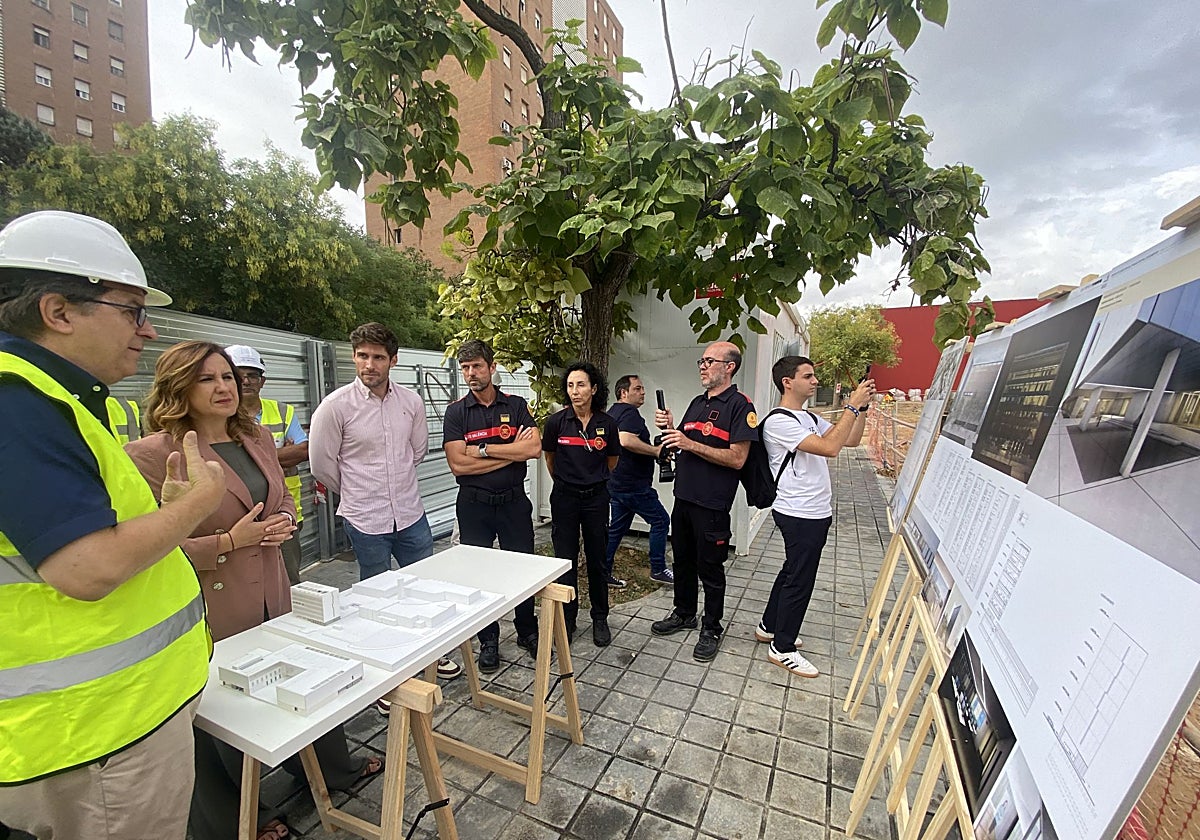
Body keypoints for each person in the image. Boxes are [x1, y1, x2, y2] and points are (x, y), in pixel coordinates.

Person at [0, 211, 222, 839]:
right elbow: (88, 567)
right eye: (131, 310)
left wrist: (170, 511)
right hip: (91, 738)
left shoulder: (52, 399)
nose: (148, 331)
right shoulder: (18, 401)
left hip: (107, 727)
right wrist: (193, 506)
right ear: (59, 311)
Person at [126, 341, 381, 840]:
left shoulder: (255, 435)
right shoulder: (150, 455)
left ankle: (329, 770)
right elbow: (148, 548)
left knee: (304, 673)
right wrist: (227, 541)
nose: (224, 387)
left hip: (274, 581)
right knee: (225, 708)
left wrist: (285, 517)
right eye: (208, 379)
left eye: (227, 377)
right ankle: (238, 819)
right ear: (178, 386)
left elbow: (281, 491)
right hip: (209, 598)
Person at [309, 322, 461, 685]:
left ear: (393, 360)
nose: (369, 365)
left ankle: (432, 655)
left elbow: (418, 451)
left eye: (378, 357)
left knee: (425, 588)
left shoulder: (411, 402)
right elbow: (321, 465)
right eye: (362, 356)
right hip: (365, 519)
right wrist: (358, 492)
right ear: (354, 357)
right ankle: (386, 677)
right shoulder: (334, 408)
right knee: (375, 599)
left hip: (410, 513)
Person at [756, 356, 873, 678]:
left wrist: (860, 410)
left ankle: (769, 625)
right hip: (798, 511)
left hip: (814, 510)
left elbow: (849, 440)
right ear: (787, 382)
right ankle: (783, 647)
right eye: (808, 376)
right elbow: (828, 448)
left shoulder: (807, 417)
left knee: (793, 570)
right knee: (801, 579)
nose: (815, 381)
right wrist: (850, 406)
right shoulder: (779, 421)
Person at [651, 341, 758, 662]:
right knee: (682, 561)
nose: (702, 366)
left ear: (729, 367)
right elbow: (685, 443)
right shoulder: (698, 402)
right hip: (684, 497)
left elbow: (738, 459)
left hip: (712, 503)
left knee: (710, 568)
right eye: (702, 360)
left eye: (710, 361)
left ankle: (711, 627)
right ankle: (684, 613)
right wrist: (670, 431)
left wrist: (688, 443)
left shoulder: (741, 406)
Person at [442, 339, 542, 672]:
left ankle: (527, 631)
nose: (471, 374)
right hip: (474, 506)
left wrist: (482, 451)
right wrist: (508, 449)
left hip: (514, 503)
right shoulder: (456, 412)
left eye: (477, 366)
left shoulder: (516, 405)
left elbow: (532, 450)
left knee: (523, 569)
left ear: (491, 367)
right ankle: (488, 639)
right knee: (479, 575)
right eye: (465, 368)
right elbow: (458, 465)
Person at [543, 362, 622, 647]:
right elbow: (550, 458)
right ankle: (568, 617)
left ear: (594, 388)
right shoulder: (556, 422)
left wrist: (593, 480)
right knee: (565, 560)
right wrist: (568, 482)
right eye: (570, 386)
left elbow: (611, 461)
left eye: (581, 385)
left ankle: (600, 618)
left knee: (597, 559)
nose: (575, 391)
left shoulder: (607, 424)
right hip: (565, 497)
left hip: (596, 499)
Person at [226, 343, 310, 584]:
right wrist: (278, 455)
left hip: (284, 514)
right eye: (238, 375)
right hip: (236, 521)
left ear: (262, 381)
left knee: (289, 580)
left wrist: (245, 457)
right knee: (245, 586)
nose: (246, 382)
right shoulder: (216, 417)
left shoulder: (282, 411)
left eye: (252, 375)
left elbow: (303, 450)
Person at [605, 374, 674, 586]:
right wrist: (655, 451)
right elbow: (625, 440)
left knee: (616, 529)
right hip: (633, 485)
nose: (643, 392)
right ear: (623, 393)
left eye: (643, 388)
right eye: (638, 388)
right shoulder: (629, 412)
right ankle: (658, 569)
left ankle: (602, 571)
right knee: (661, 520)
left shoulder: (613, 412)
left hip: (616, 483)